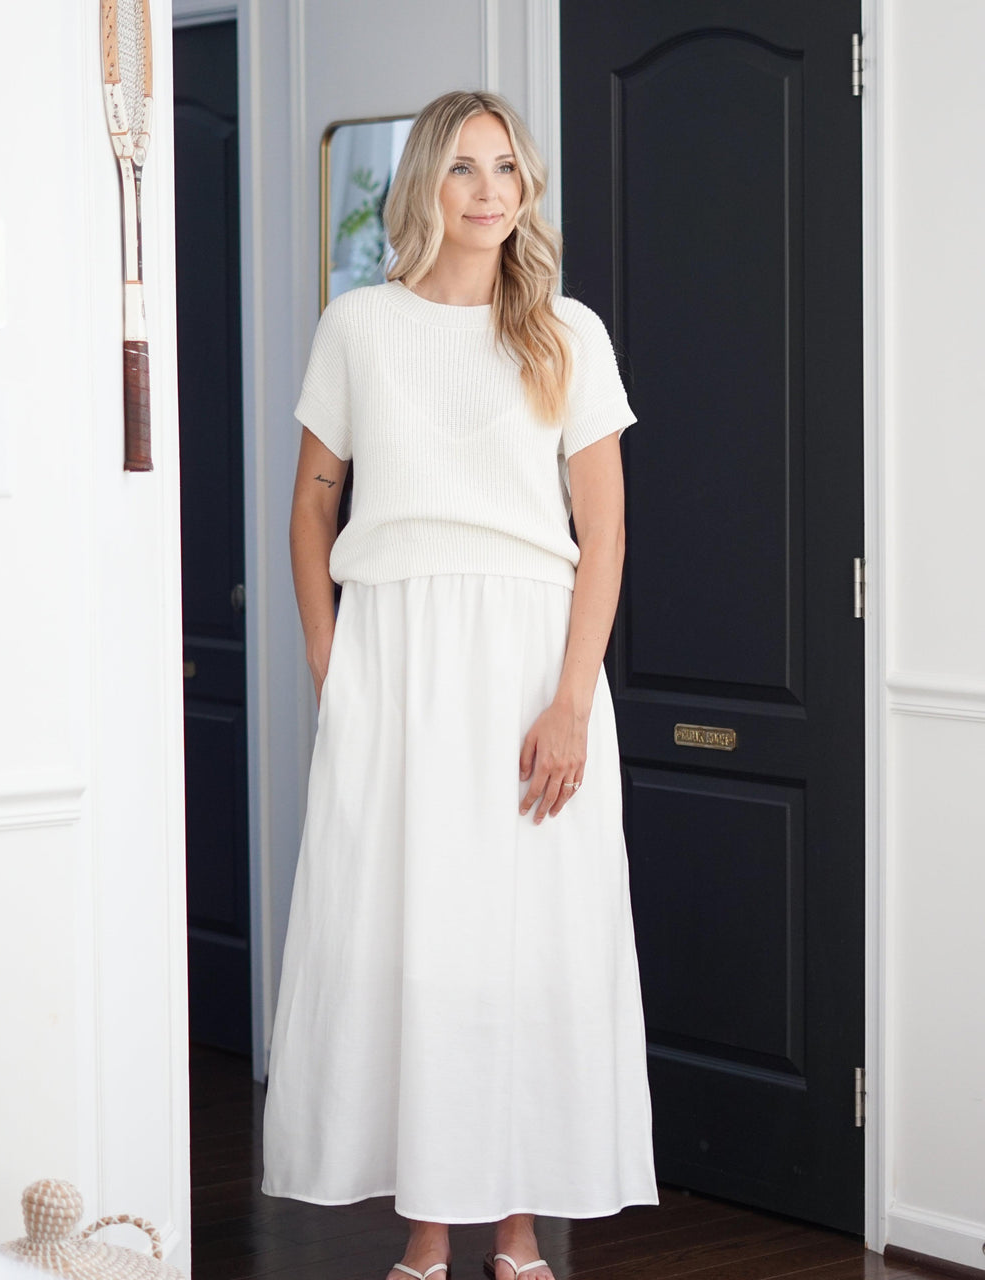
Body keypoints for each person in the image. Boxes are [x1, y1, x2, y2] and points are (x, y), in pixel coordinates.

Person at [261, 89, 657, 1280]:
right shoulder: (358, 327)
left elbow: (605, 531)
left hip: (532, 661)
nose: (490, 191)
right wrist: (332, 664)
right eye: (465, 168)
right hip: (393, 661)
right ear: (424, 185)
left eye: (508, 169)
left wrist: (572, 700)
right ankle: (427, 1230)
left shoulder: (567, 332)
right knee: (410, 939)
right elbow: (312, 507)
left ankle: (520, 1228)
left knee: (528, 945)